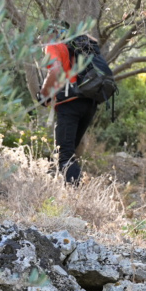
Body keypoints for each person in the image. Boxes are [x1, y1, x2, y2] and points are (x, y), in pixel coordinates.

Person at [40, 23, 102, 184]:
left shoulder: (53, 45)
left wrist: (44, 94)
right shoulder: (77, 45)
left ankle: (76, 198)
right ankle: (51, 186)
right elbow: (94, 40)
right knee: (65, 151)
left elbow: (54, 70)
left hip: (70, 103)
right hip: (90, 102)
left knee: (65, 155)